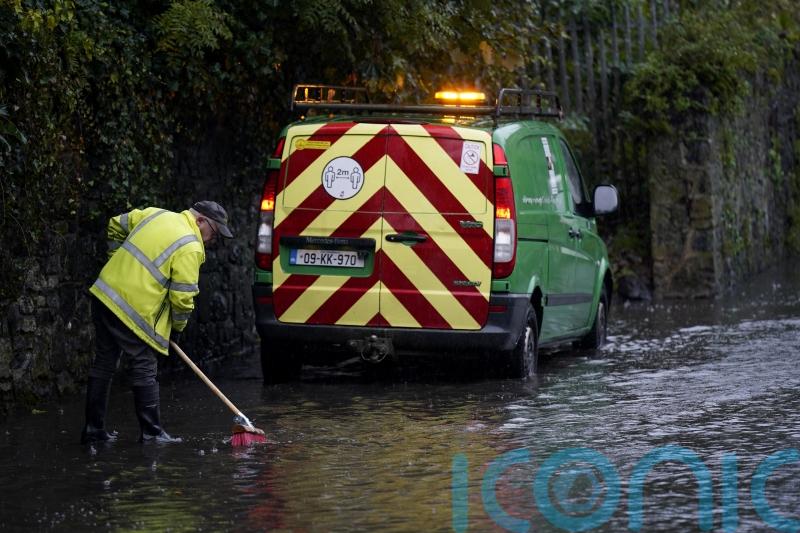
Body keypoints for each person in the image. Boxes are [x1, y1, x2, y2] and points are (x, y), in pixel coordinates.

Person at [80, 201, 234, 444]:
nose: (211, 241)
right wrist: (178, 328)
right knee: (144, 366)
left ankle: (93, 430)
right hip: (131, 308)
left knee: (104, 363)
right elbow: (182, 298)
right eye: (213, 234)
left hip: (104, 294)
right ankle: (152, 434)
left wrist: (115, 260)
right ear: (200, 221)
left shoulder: (155, 214)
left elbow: (114, 224)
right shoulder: (191, 246)